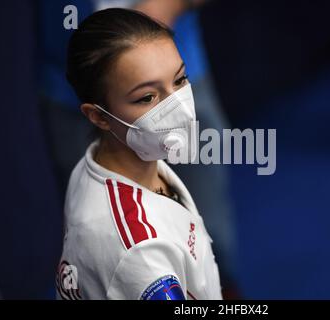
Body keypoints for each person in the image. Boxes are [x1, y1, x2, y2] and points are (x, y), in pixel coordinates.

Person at [56, 8, 222, 300]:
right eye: (147, 98)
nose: (179, 108)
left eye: (180, 80)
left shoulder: (100, 164)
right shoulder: (141, 254)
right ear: (98, 116)